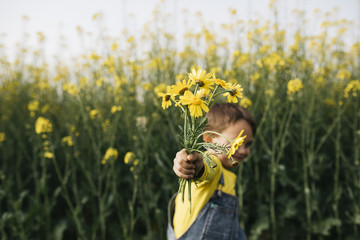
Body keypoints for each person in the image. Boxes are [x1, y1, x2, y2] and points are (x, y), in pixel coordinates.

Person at [167, 103, 257, 240]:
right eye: (236, 144)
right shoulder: (213, 163)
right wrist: (195, 165)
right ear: (209, 138)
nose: (244, 150)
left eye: (248, 144)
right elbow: (206, 167)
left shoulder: (227, 176)